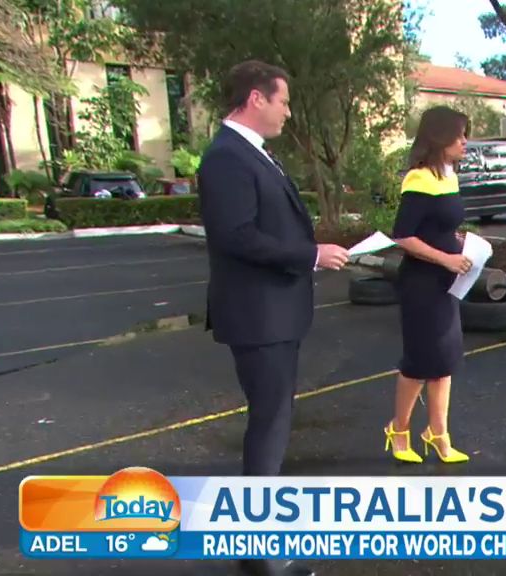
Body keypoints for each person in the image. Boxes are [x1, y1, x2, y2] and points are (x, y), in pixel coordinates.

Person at [197, 60, 348, 576]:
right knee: (269, 425)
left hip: (274, 313)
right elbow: (235, 236)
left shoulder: (254, 153)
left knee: (273, 421)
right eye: (283, 101)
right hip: (258, 316)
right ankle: (259, 551)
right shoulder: (227, 157)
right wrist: (310, 255)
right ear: (256, 98)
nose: (287, 112)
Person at [383, 106, 473, 465]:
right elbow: (403, 235)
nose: (465, 142)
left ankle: (438, 434)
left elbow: (438, 226)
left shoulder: (449, 176)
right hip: (422, 284)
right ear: (439, 137)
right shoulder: (419, 178)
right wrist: (445, 257)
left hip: (447, 282)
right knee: (420, 362)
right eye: (459, 135)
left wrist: (460, 243)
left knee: (445, 360)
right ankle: (399, 429)